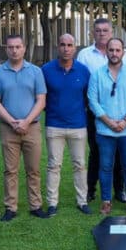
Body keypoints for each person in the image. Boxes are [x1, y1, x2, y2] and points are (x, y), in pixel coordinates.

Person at [0, 34, 47, 221]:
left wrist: (26, 121)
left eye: (18, 47)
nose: (14, 50)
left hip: (32, 127)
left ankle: (35, 205)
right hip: (8, 129)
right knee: (10, 170)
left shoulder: (35, 71)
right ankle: (10, 207)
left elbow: (41, 100)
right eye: (10, 47)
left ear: (24, 48)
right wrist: (13, 121)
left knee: (34, 169)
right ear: (6, 49)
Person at [77, 18, 126, 204]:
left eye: (105, 30)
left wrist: (124, 118)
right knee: (95, 152)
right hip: (96, 113)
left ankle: (119, 190)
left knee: (119, 154)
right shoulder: (85, 55)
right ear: (93, 32)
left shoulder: (123, 53)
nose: (102, 33)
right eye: (98, 30)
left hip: (121, 114)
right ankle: (91, 190)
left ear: (111, 32)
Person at [86, 37, 126, 216]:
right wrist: (109, 122)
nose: (114, 53)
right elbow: (92, 101)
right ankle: (106, 201)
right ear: (106, 52)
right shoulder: (97, 74)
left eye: (118, 50)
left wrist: (125, 121)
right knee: (105, 166)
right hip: (104, 131)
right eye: (111, 50)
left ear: (123, 52)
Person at [41, 33, 91, 215]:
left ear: (75, 48)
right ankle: (52, 203)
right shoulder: (46, 70)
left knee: (80, 164)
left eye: (70, 45)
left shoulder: (83, 71)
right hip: (54, 125)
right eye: (62, 44)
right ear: (58, 46)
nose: (66, 48)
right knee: (54, 165)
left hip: (78, 125)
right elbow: (41, 97)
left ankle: (82, 201)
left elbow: (87, 97)